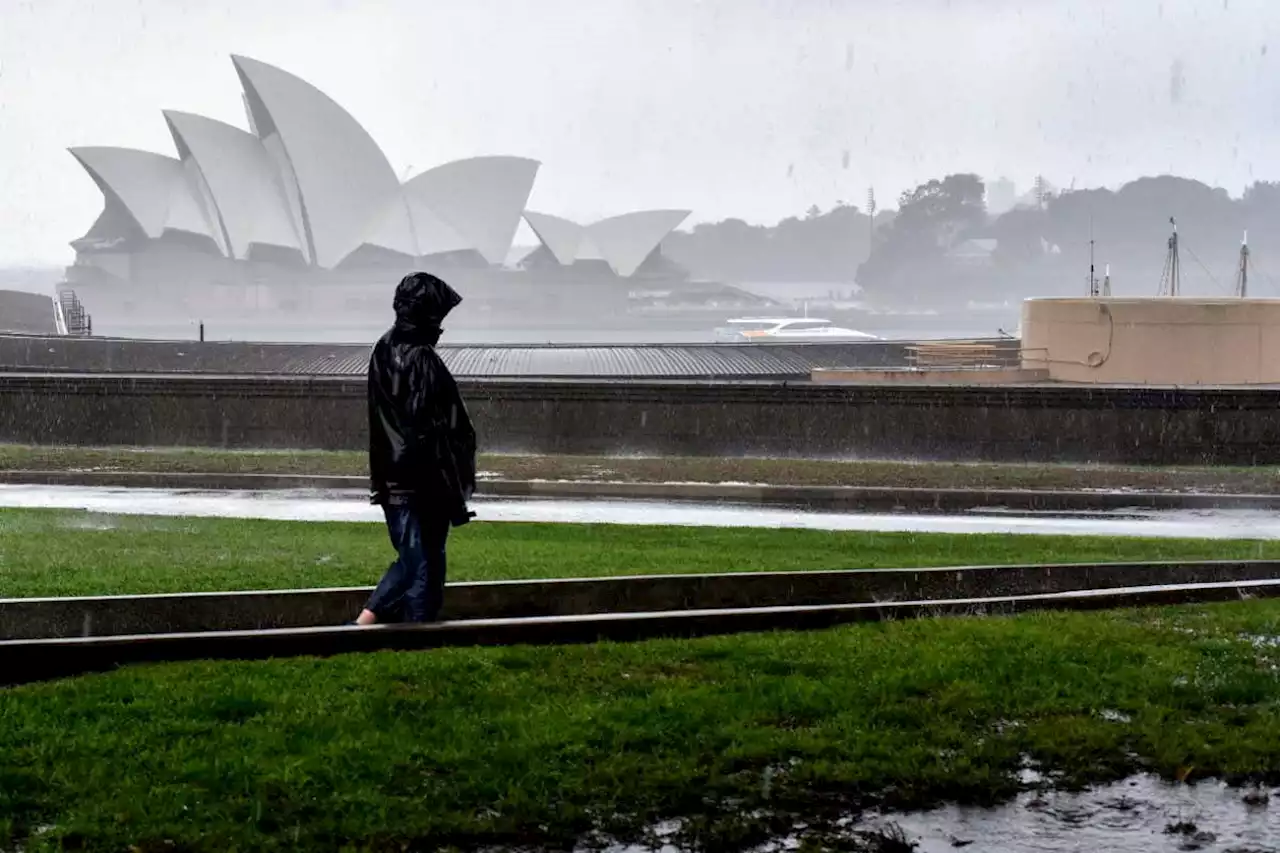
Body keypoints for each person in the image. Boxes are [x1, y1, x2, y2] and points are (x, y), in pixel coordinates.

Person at [354, 272, 477, 626]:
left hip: (394, 475)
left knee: (416, 558)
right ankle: (412, 631)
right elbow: (433, 427)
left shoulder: (384, 348)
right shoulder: (422, 359)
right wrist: (453, 482)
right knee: (424, 563)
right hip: (424, 480)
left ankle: (369, 623)